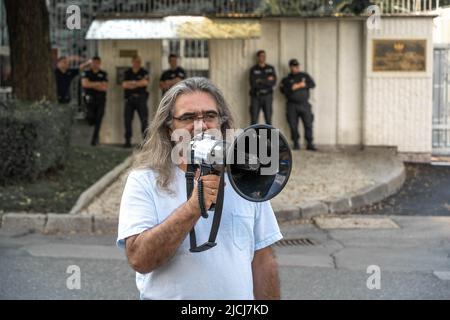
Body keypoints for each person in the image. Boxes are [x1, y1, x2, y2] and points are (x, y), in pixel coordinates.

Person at [117, 77, 283, 300]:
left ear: (222, 124)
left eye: (210, 116)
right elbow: (139, 259)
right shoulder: (145, 180)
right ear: (169, 129)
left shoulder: (247, 179)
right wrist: (193, 207)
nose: (201, 125)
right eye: (188, 117)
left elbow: (263, 259)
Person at [280, 59, 317, 151]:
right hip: (292, 105)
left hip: (304, 104)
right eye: (294, 66)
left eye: (297, 66)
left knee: (308, 124)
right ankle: (296, 143)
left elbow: (312, 84)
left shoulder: (304, 76)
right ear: (291, 67)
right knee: (293, 124)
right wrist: (293, 87)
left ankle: (309, 143)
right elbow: (283, 90)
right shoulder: (287, 79)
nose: (296, 68)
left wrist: (302, 85)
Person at [121, 55, 150, 148]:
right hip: (129, 100)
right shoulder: (127, 72)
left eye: (139, 62)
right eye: (135, 61)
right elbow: (124, 85)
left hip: (141, 99)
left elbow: (145, 83)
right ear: (132, 62)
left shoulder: (144, 72)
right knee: (127, 120)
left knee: (144, 120)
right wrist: (138, 83)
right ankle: (127, 141)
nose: (137, 63)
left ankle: (145, 142)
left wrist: (132, 83)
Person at [81, 56, 108, 146]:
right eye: (94, 63)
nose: (95, 64)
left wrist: (91, 84)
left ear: (99, 63)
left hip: (101, 99)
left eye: (97, 63)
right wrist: (98, 84)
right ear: (91, 63)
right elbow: (85, 84)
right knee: (90, 117)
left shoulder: (103, 73)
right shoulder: (86, 73)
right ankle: (90, 125)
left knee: (99, 119)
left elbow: (104, 87)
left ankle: (94, 139)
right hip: (90, 99)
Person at [249, 50, 277, 125]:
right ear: (258, 57)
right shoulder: (253, 69)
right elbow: (253, 83)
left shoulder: (270, 68)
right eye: (261, 56)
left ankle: (269, 136)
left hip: (267, 96)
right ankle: (253, 136)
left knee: (268, 120)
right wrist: (267, 80)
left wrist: (260, 80)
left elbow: (273, 82)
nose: (263, 58)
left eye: (264, 56)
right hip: (256, 96)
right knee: (254, 120)